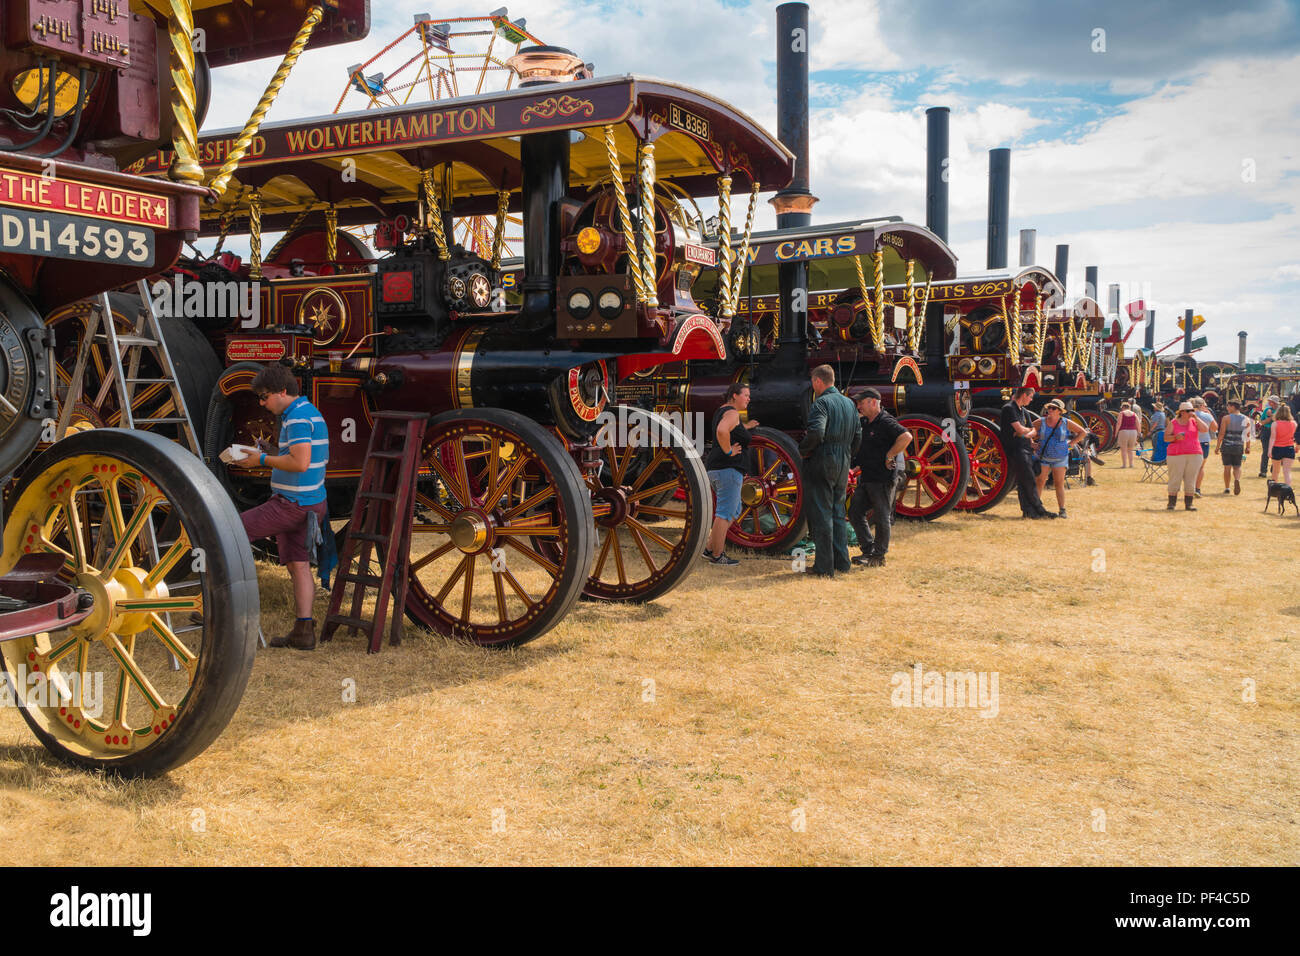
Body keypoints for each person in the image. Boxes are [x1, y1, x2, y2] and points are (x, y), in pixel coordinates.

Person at [229, 363, 331, 650]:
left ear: (283, 391)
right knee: (298, 565)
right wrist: (272, 452)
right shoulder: (307, 412)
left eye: (264, 396)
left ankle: (225, 614)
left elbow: (299, 463)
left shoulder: (297, 418)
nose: (262, 403)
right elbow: (300, 457)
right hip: (311, 503)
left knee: (229, 533)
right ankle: (303, 631)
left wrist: (260, 461)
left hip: (292, 504)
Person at [798, 365, 860, 578]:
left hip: (823, 459)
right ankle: (842, 562)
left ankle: (824, 567)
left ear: (817, 381)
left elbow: (816, 432)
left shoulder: (821, 403)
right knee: (838, 512)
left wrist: (803, 451)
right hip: (843, 459)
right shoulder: (850, 403)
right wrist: (848, 455)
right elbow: (858, 435)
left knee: (821, 514)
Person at [847, 388, 912, 568]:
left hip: (882, 479)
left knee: (882, 517)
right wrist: (853, 469)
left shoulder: (886, 421)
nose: (858, 405)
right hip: (867, 477)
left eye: (861, 402)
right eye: (858, 402)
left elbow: (906, 437)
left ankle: (879, 556)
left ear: (874, 402)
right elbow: (866, 452)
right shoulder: (867, 423)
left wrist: (890, 456)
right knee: (854, 512)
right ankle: (868, 550)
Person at [703, 383, 758, 566]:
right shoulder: (733, 413)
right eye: (746, 395)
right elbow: (722, 430)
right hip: (728, 468)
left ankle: (710, 548)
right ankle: (718, 556)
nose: (749, 398)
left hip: (718, 468)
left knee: (732, 511)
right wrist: (728, 451)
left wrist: (747, 426)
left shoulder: (724, 411)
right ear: (734, 395)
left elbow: (732, 429)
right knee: (725, 514)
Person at [1000, 386, 1056, 519]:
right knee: (1029, 480)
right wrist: (1025, 431)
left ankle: (1028, 511)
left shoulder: (1024, 411)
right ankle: (1040, 510)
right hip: (1015, 448)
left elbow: (1032, 431)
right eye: (1030, 397)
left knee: (1024, 481)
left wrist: (1026, 434)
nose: (1031, 400)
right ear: (1024, 395)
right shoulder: (1009, 409)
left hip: (1025, 447)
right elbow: (1019, 429)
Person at [1030, 400, 1087, 518]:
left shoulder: (1066, 422)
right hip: (1043, 457)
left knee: (1059, 483)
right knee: (1039, 482)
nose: (1050, 410)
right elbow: (1027, 431)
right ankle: (1035, 508)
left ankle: (1062, 510)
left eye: (1053, 408)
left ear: (1060, 411)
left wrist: (1071, 444)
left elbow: (1082, 432)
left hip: (1060, 457)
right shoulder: (1041, 422)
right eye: (1049, 408)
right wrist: (1032, 444)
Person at [1165, 400, 1209, 510]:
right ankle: (1171, 503)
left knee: (1191, 479)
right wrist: (1175, 437)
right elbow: (1166, 438)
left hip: (1194, 453)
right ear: (1182, 412)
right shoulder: (1174, 423)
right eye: (1189, 411)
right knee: (1175, 478)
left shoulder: (1194, 422)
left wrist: (1196, 418)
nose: (1191, 412)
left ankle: (1189, 504)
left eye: (1192, 410)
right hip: (1176, 454)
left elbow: (1205, 429)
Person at [1215, 399, 1251, 495]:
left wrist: (1217, 447)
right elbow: (1247, 435)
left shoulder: (1226, 418)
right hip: (1238, 446)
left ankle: (1227, 488)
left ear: (1233, 407)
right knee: (1237, 466)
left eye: (1228, 406)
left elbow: (1221, 433)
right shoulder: (1246, 419)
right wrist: (1248, 447)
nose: (1227, 408)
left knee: (1227, 467)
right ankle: (1237, 479)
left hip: (1227, 445)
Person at [1192, 397, 1218, 496]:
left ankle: (1190, 487)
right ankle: (1197, 489)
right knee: (1201, 467)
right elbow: (1215, 428)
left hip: (1192, 442)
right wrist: (1210, 415)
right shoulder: (1206, 415)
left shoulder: (1188, 415)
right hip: (1204, 442)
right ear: (1202, 406)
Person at [1268, 404, 1297, 485]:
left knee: (1275, 471)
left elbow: (1272, 438)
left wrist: (1269, 450)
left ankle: (1274, 490)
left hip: (1277, 448)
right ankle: (1288, 490)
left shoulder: (1275, 424)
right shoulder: (1294, 423)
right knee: (1287, 472)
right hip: (1289, 448)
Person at [1257, 397, 1278, 478]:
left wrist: (1272, 416)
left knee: (1275, 451)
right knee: (1266, 451)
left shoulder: (1280, 410)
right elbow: (1262, 422)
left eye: (1270, 401)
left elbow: (1279, 420)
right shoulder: (1267, 410)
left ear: (1274, 402)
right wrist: (1270, 417)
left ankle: (1274, 470)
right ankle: (1263, 471)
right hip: (1266, 431)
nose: (1269, 402)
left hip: (1276, 432)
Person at [1116, 401, 1140, 468]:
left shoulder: (1121, 413)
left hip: (1124, 431)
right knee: (1130, 449)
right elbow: (1138, 424)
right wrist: (1139, 433)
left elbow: (1118, 424)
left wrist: (1116, 433)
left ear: (1123, 407)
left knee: (1123, 449)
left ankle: (1124, 465)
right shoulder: (1134, 414)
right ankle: (1131, 464)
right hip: (1133, 432)